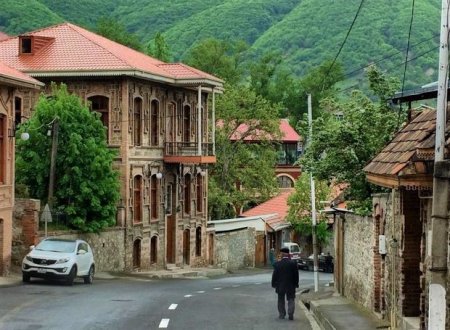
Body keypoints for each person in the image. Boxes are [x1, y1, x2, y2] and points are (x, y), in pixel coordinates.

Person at [271, 247, 299, 320]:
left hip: (280, 285)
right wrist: (296, 283)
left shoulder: (277, 264)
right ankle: (290, 314)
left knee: (280, 299)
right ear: (288, 254)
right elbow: (296, 275)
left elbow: (274, 275)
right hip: (291, 285)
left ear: (282, 254)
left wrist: (273, 283)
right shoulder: (293, 263)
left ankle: (282, 314)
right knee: (291, 299)